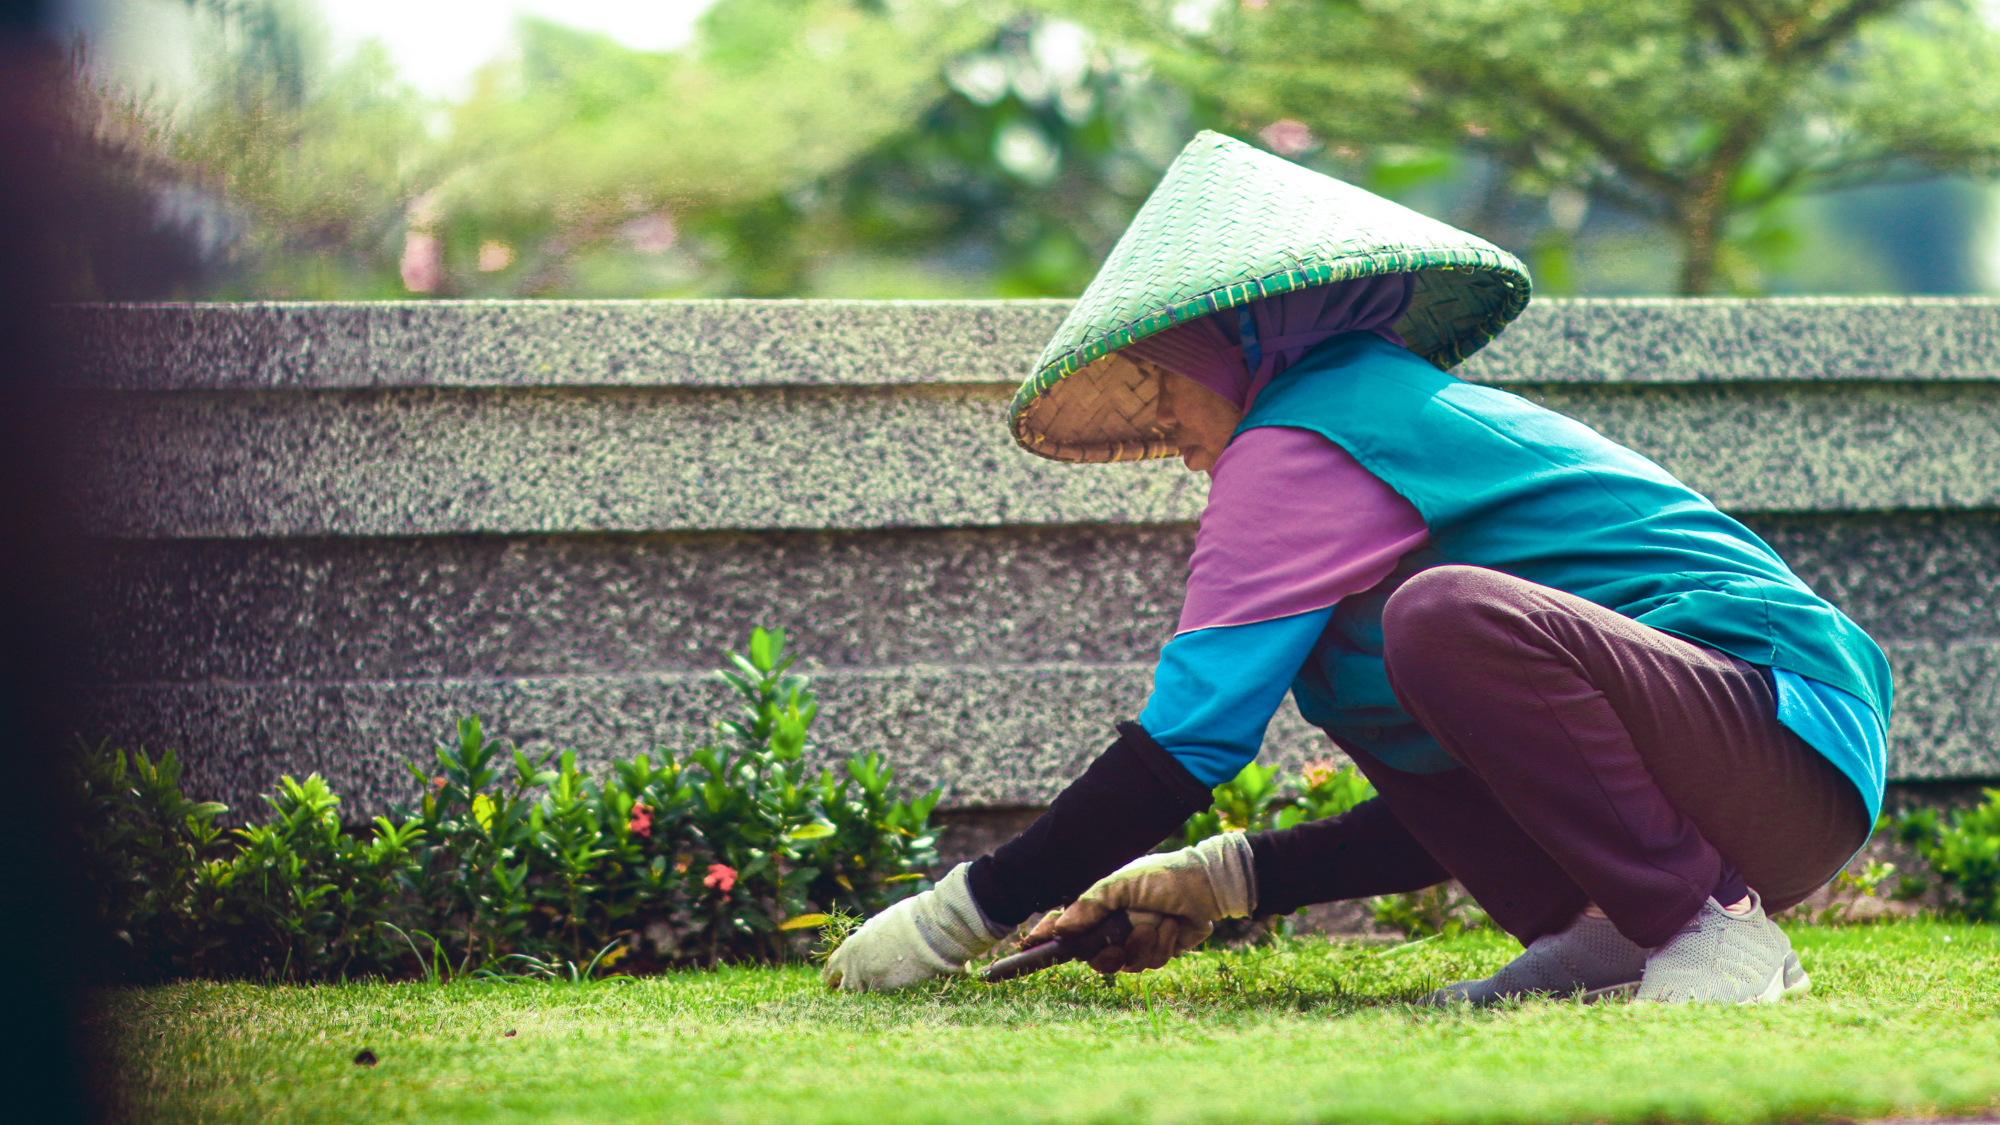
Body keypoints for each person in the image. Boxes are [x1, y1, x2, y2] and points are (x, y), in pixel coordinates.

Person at [822, 132, 1889, 1005]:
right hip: (1758, 774)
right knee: (1353, 656)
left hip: (1782, 730)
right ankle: (1609, 936)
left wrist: (956, 912)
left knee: (1439, 617)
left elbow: (1185, 741)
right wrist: (1220, 879)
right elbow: (1521, 762)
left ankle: (1713, 931)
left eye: (1158, 380)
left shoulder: (1301, 436)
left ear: (1227, 347)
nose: (1160, 426)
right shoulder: (1340, 417)